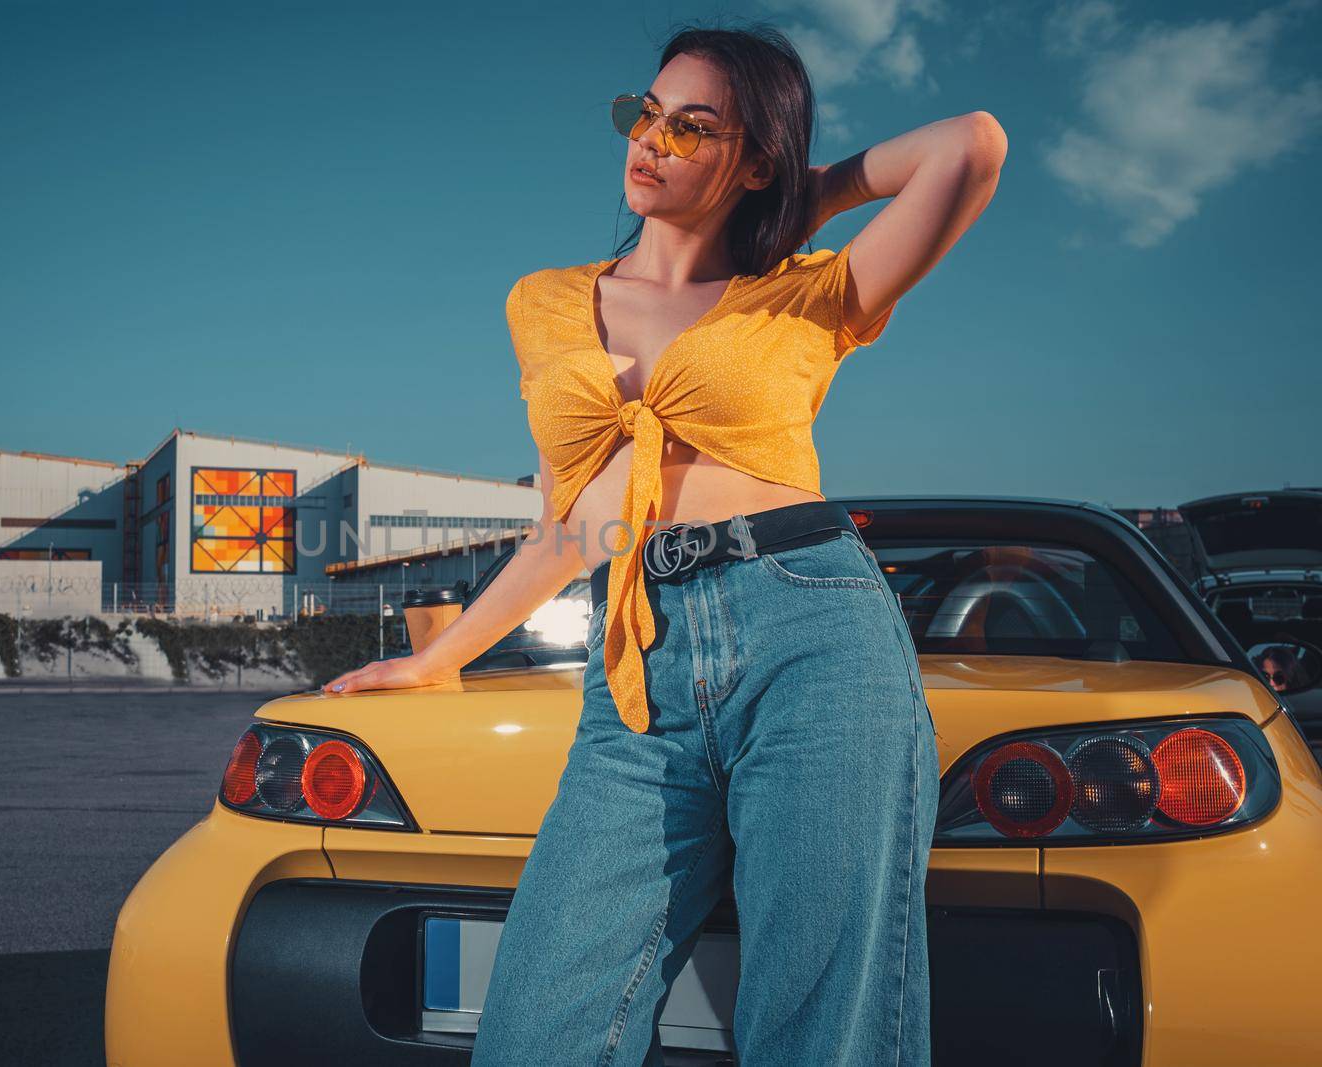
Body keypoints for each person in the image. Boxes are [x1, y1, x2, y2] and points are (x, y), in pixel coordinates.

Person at [321, 21, 1005, 1066]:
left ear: (755, 156)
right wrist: (437, 655)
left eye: (693, 129)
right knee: (542, 1025)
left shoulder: (810, 292)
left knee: (824, 1024)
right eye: (644, 114)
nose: (651, 141)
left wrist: (795, 198)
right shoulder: (544, 300)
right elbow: (575, 520)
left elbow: (970, 145)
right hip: (637, 657)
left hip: (812, 626)